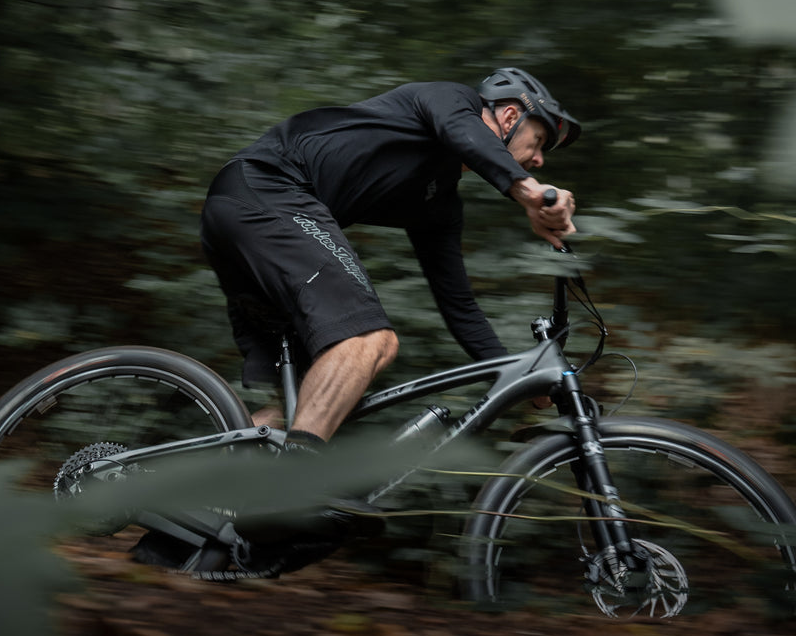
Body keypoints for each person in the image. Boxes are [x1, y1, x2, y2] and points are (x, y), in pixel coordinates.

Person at [199, 67, 581, 450]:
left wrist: (519, 377)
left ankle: (207, 495)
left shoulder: (439, 203)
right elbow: (459, 130)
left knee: (301, 398)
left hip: (244, 216)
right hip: (266, 189)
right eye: (538, 141)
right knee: (367, 340)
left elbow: (459, 306)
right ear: (511, 116)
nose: (538, 160)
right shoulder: (448, 98)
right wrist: (529, 193)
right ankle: (288, 491)